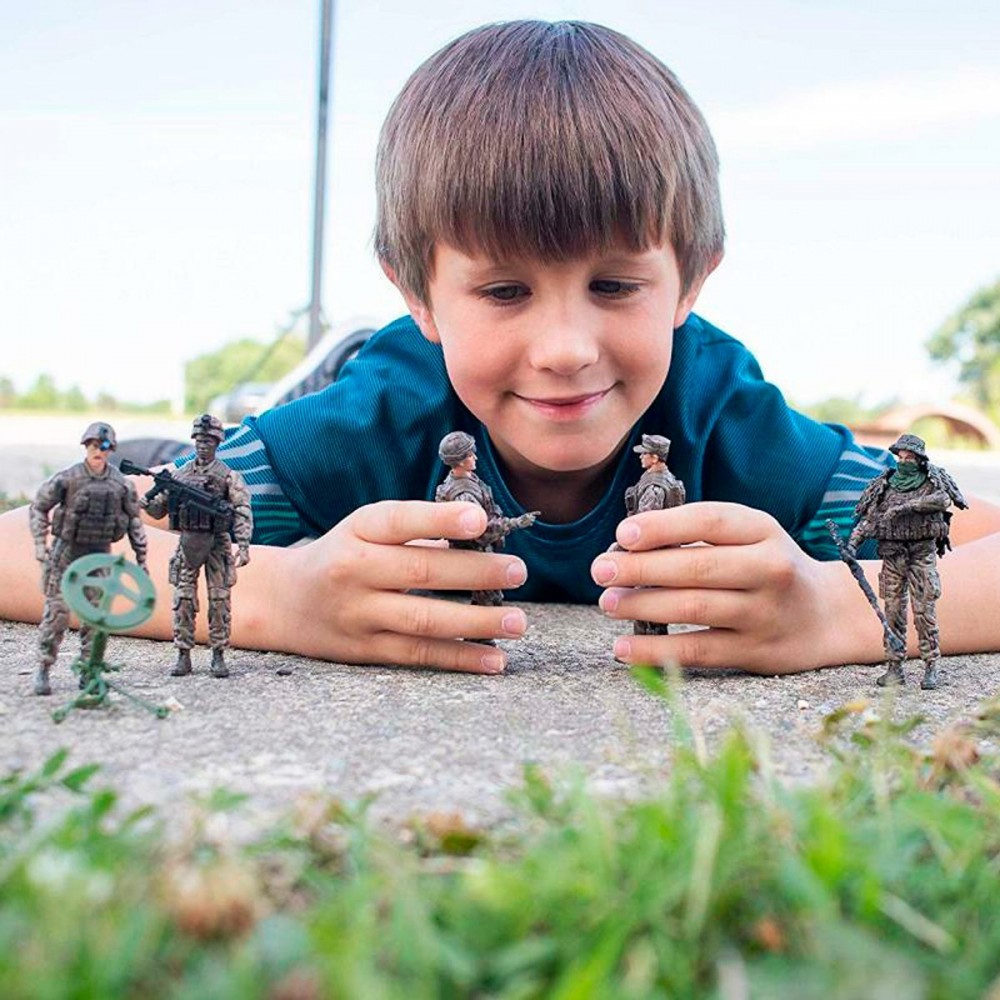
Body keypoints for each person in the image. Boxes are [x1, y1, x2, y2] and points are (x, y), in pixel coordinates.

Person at [3, 21, 1000, 676]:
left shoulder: (727, 416)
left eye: (614, 285)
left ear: (692, 281)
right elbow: (23, 545)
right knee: (165, 470)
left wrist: (835, 611)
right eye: (504, 290)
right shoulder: (370, 423)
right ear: (418, 293)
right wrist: (277, 595)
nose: (564, 349)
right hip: (367, 384)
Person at [28, 422, 148, 695]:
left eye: (103, 446)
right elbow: (39, 507)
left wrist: (142, 560)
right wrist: (39, 544)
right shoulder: (68, 478)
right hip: (66, 553)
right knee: (56, 614)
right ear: (86, 447)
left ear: (110, 449)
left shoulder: (121, 485)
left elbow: (134, 522)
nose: (97, 451)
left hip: (99, 556)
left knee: (96, 618)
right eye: (92, 445)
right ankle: (44, 667)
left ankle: (90, 670)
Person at [847, 434, 967, 689]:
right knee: (892, 613)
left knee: (924, 612)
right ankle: (894, 667)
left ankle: (930, 665)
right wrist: (853, 544)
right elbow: (870, 520)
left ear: (919, 459)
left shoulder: (932, 482)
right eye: (900, 457)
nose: (903, 462)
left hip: (921, 555)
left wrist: (907, 507)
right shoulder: (885, 484)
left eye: (909, 457)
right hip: (892, 557)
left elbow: (943, 500)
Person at [141, 414, 252, 678]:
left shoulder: (227, 476)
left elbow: (242, 509)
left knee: (219, 600)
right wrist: (148, 501)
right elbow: (159, 510)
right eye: (200, 440)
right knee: (183, 598)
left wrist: (244, 544)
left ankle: (218, 654)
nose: (203, 445)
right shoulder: (180, 475)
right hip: (188, 540)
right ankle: (183, 654)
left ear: (217, 443)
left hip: (217, 543)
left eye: (208, 441)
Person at [434, 431, 537, 608]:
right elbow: (481, 530)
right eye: (470, 454)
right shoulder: (464, 494)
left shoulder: (469, 479)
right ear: (460, 461)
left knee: (491, 594)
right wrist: (515, 523)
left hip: (481, 551)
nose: (475, 457)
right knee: (487, 597)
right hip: (476, 552)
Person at [615, 435, 686, 636]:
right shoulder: (663, 480)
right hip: (657, 554)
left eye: (644, 453)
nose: (641, 457)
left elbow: (645, 523)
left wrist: (625, 544)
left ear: (654, 458)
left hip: (652, 555)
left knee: (648, 603)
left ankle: (650, 645)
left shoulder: (655, 486)